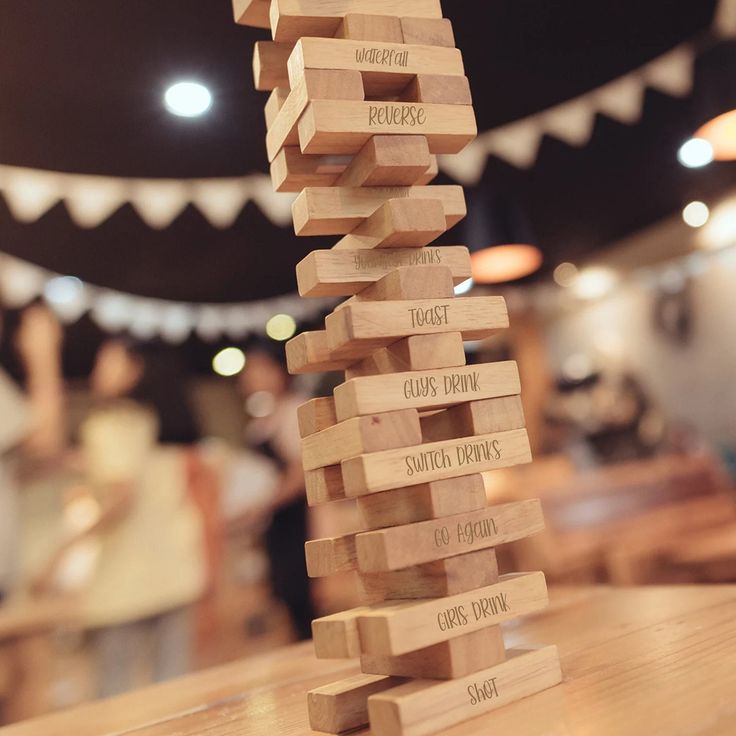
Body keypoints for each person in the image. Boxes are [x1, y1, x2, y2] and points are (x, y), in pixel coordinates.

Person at [34, 339, 207, 697]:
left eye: (106, 362)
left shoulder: (107, 424)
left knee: (113, 695)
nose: (97, 371)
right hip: (175, 567)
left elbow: (121, 497)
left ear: (134, 371)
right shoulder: (157, 425)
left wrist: (58, 554)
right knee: (175, 688)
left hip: (125, 581)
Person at [238, 341, 316, 641]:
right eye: (249, 372)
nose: (253, 377)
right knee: (282, 596)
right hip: (274, 525)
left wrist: (265, 504)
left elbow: (300, 472)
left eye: (261, 369)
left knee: (301, 595)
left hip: (298, 521)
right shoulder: (258, 422)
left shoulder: (293, 411)